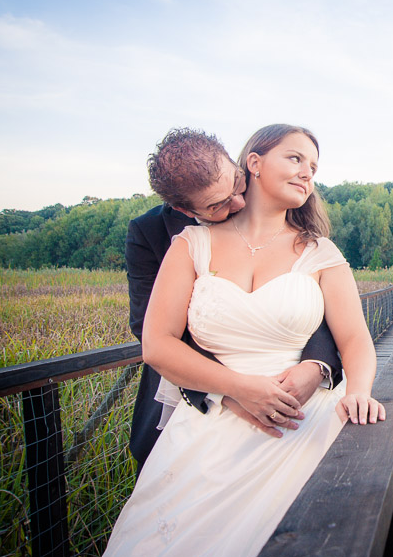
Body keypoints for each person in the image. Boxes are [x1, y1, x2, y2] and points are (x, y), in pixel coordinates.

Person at [102, 124, 385, 557]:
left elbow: (353, 339)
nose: (307, 173)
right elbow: (155, 342)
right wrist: (235, 387)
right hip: (208, 418)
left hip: (299, 419)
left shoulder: (321, 251)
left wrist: (359, 392)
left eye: (313, 167)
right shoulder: (189, 242)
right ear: (254, 162)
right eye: (295, 159)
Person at [125, 128, 342, 471]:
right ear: (182, 207)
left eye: (237, 184)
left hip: (293, 406)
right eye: (217, 204)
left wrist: (317, 367)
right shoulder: (153, 235)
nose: (238, 203)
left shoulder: (304, 242)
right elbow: (152, 331)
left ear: (235, 162)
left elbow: (313, 313)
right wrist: (231, 390)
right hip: (198, 405)